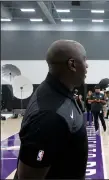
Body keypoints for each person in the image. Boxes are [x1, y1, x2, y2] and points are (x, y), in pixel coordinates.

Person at [14, 40, 88, 179]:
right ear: (72, 64)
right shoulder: (49, 115)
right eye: (84, 60)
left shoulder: (58, 92)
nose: (87, 65)